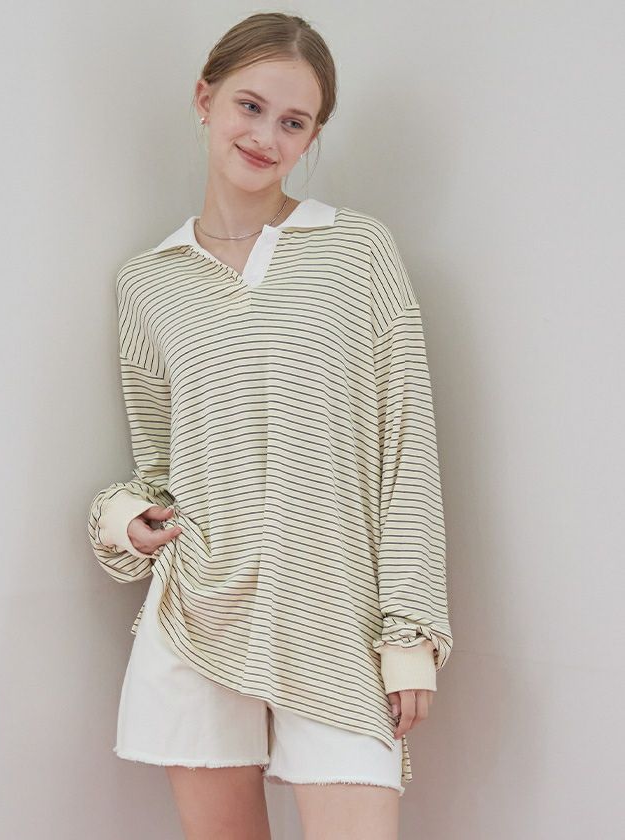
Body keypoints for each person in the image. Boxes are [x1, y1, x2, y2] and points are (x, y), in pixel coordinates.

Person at [87, 11, 453, 840]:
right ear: (204, 99)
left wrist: (409, 633)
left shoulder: (358, 251)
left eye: (294, 122)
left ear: (313, 135)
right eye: (249, 106)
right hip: (200, 617)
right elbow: (159, 463)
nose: (265, 136)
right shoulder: (148, 282)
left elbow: (407, 447)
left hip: (336, 615)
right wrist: (123, 519)